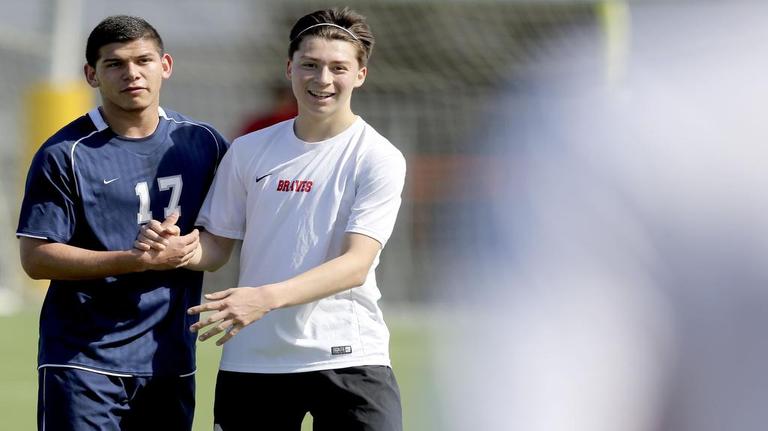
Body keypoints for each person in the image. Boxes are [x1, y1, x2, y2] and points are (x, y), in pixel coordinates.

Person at [138, 7, 406, 430]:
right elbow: (215, 247)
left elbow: (355, 265)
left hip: (348, 356)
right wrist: (179, 248)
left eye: (338, 68)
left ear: (360, 74)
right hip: (254, 359)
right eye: (310, 65)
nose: (322, 80)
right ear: (289, 68)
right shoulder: (248, 150)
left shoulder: (377, 157)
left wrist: (263, 298)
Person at [16, 15, 228, 430]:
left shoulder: (205, 143)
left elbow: (223, 234)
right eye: (114, 64)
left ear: (164, 65)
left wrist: (187, 248)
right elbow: (36, 258)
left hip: (169, 358)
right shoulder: (65, 153)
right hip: (82, 359)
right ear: (91, 75)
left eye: (143, 60)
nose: (132, 73)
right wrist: (135, 259)